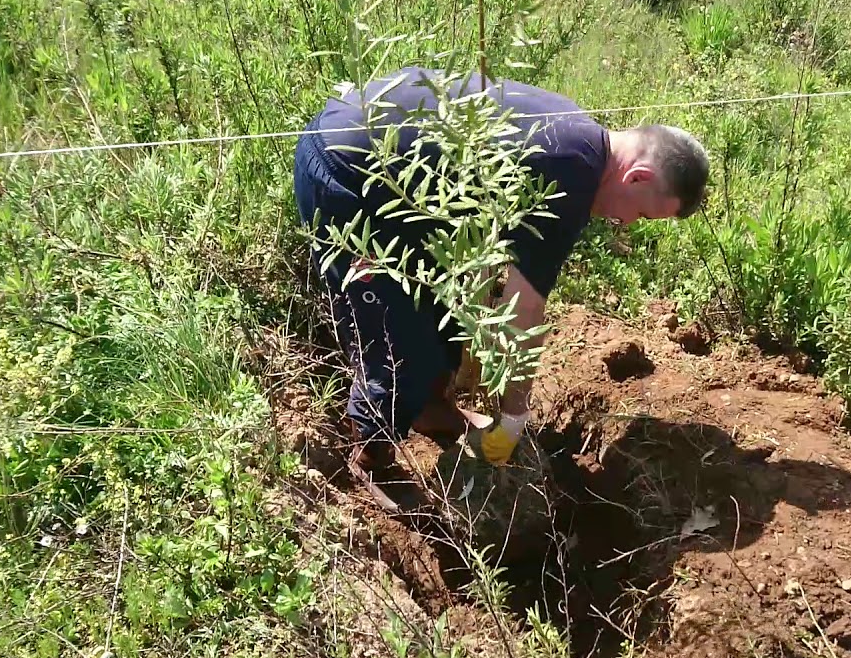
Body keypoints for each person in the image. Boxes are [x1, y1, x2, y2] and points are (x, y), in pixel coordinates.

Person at [293, 66, 708, 495]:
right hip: (345, 174)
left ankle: (431, 409)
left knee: (440, 301)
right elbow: (523, 312)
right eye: (639, 213)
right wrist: (513, 418)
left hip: (396, 180)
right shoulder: (569, 174)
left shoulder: (580, 136)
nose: (624, 222)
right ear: (636, 176)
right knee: (395, 332)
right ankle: (370, 453)